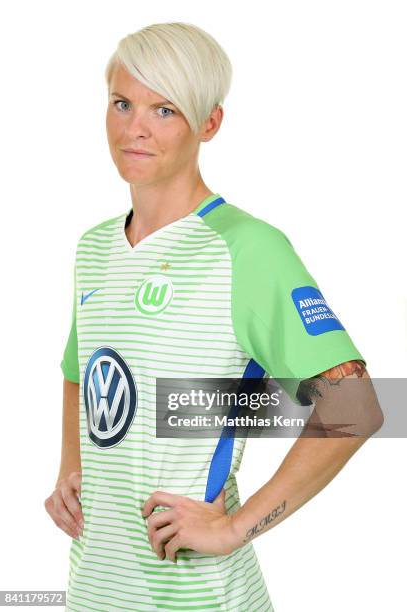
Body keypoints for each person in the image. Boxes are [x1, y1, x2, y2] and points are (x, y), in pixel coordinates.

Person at [44, 21, 383, 611]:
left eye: (165, 109)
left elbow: (355, 407)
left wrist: (233, 526)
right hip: (94, 589)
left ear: (209, 123)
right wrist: (71, 469)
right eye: (122, 103)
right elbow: (83, 372)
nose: (134, 129)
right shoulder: (94, 248)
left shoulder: (247, 250)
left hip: (199, 596)